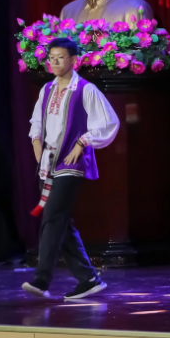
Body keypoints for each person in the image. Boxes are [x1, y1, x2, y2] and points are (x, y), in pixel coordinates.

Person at [23, 38, 120, 300]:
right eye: (51, 57)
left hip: (71, 164)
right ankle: (88, 279)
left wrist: (83, 141)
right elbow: (36, 125)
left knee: (52, 217)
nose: (55, 62)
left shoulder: (85, 90)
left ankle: (41, 280)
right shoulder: (47, 90)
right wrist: (37, 150)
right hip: (49, 164)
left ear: (73, 60)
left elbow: (108, 123)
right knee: (62, 224)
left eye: (60, 57)